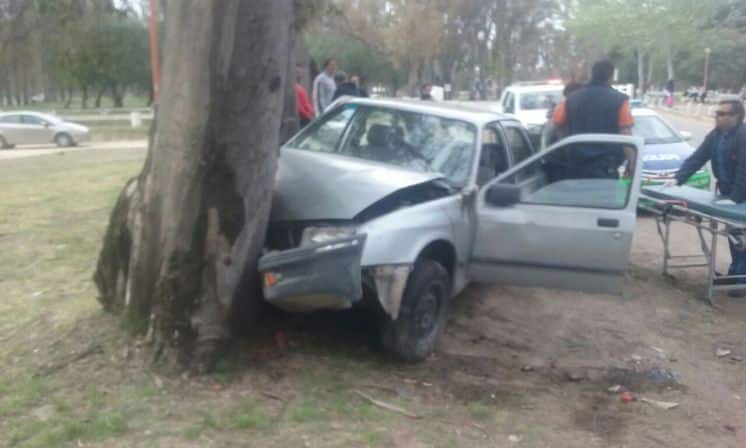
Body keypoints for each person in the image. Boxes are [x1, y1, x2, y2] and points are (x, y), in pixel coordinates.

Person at [671, 97, 746, 296]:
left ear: (736, 116)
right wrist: (677, 179)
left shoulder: (743, 136)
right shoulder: (715, 136)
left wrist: (736, 197)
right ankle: (736, 276)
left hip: (741, 194)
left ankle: (740, 279)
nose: (718, 117)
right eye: (717, 113)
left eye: (722, 114)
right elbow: (698, 157)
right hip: (727, 192)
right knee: (735, 236)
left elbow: (743, 169)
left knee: (741, 235)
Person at [551, 59, 635, 179]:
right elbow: (626, 133)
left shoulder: (571, 99)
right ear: (611, 77)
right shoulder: (620, 100)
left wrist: (565, 148)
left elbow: (556, 126)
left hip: (575, 168)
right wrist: (632, 163)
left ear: (592, 74)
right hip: (606, 168)